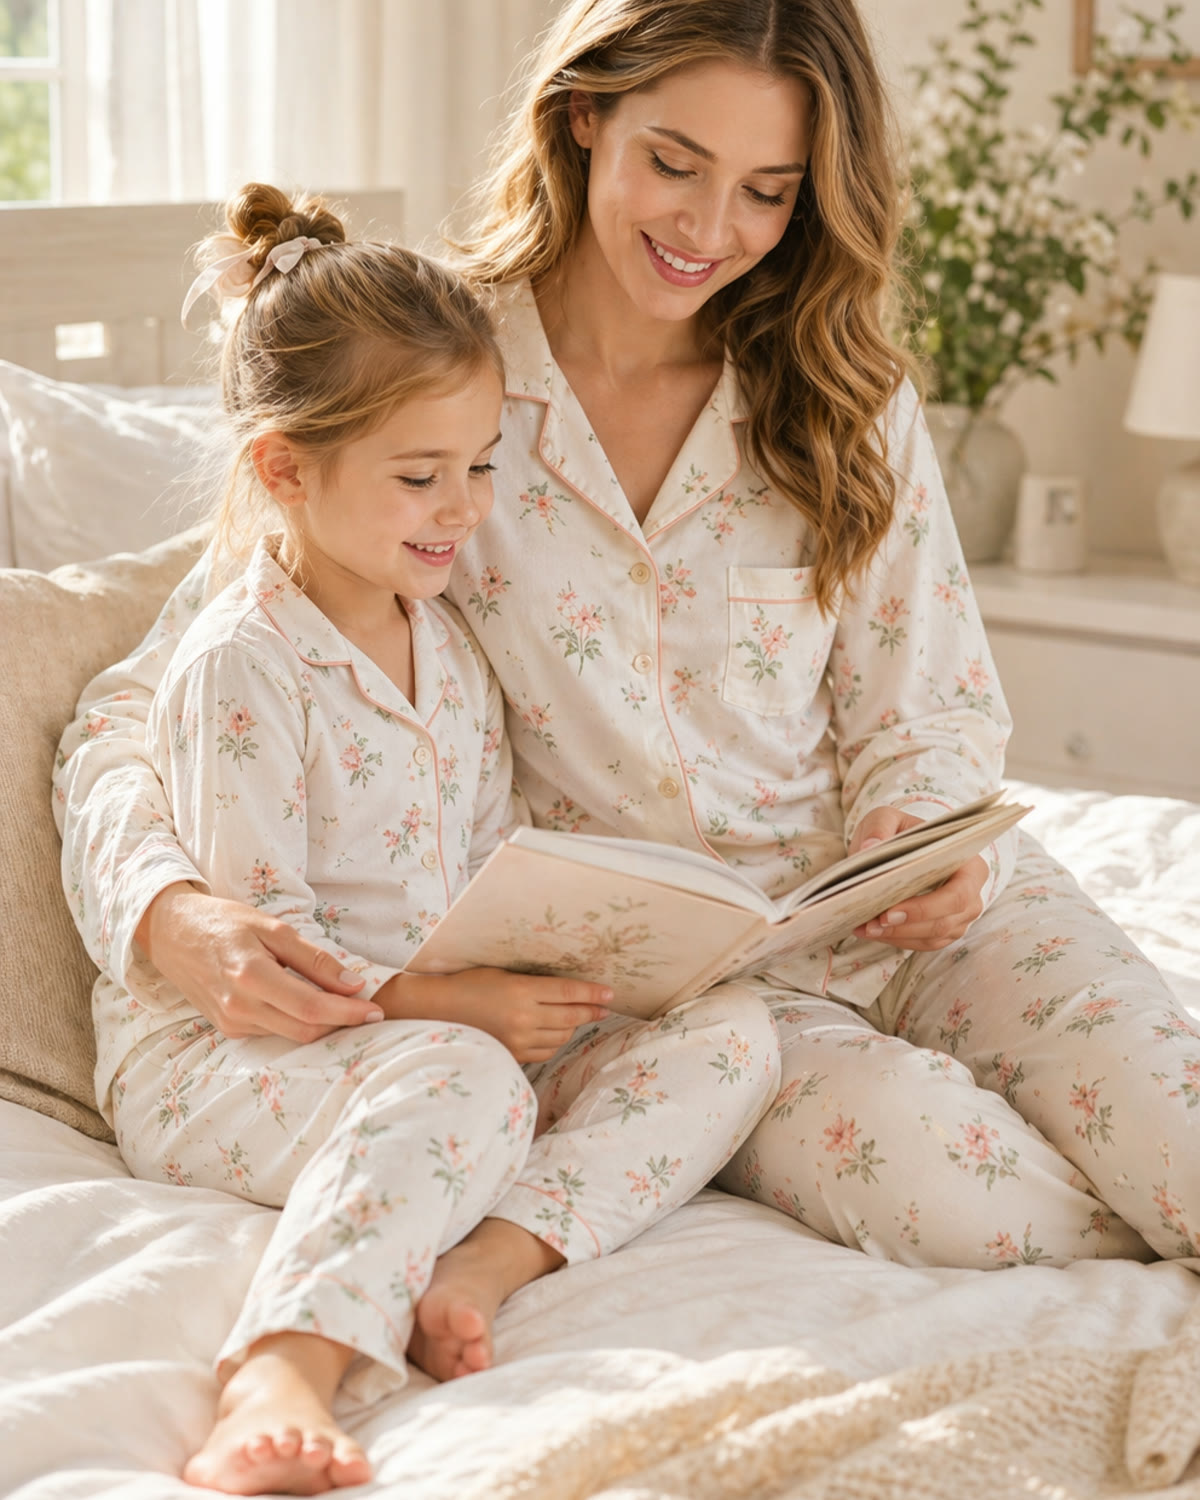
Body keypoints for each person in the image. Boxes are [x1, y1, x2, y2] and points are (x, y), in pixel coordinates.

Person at [57, 0, 1200, 1298]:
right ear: (584, 115)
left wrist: (920, 828)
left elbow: (924, 701)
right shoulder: (434, 374)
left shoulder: (841, 392)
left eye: (768, 190)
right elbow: (135, 704)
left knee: (1176, 1136)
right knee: (966, 1203)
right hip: (682, 1000)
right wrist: (169, 914)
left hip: (902, 914)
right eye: (674, 163)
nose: (711, 231)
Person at [64, 182, 780, 1497]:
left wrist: (580, 959)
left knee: (734, 1037)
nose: (463, 510)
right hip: (239, 1054)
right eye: (419, 476)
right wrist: (445, 1004)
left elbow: (480, 858)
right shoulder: (243, 667)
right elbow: (267, 958)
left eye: (479, 468)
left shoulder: (448, 644)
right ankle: (283, 1361)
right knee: (461, 1078)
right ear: (286, 467)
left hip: (431, 1023)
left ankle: (484, 1258)